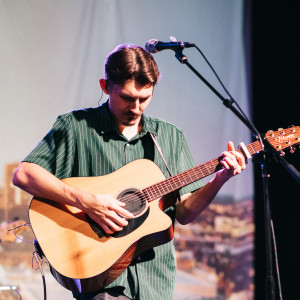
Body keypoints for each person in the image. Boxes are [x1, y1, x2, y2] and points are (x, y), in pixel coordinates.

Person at [12, 44, 246, 300]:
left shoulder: (169, 136)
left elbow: (185, 212)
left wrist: (219, 179)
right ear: (105, 86)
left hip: (154, 284)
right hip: (101, 285)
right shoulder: (75, 127)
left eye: (144, 98)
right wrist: (87, 202)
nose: (136, 107)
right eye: (127, 97)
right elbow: (25, 174)